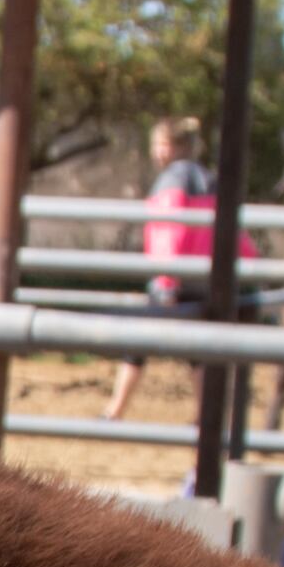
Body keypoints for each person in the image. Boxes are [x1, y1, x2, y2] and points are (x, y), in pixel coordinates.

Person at [98, 112, 218, 423]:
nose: (158, 152)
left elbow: (169, 230)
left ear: (178, 147)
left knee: (137, 343)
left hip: (174, 278)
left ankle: (115, 410)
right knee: (199, 353)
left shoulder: (173, 179)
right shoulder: (207, 178)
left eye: (163, 145)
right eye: (157, 145)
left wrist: (166, 279)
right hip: (202, 278)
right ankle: (207, 413)